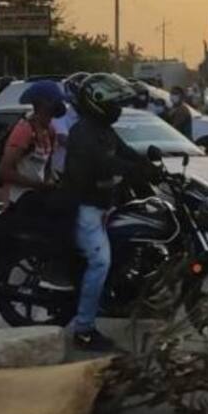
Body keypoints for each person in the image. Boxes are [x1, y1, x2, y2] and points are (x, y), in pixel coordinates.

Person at [64, 73, 155, 352]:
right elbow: (102, 164)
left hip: (103, 205)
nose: (118, 109)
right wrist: (131, 169)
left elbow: (125, 153)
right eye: (114, 103)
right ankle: (84, 330)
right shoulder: (83, 132)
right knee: (100, 262)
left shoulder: (103, 129)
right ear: (97, 102)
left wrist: (150, 163)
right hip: (85, 208)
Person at [0, 80, 64, 204]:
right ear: (41, 106)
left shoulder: (50, 131)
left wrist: (49, 183)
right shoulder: (24, 130)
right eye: (51, 109)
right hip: (16, 202)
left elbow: (46, 168)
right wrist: (36, 185)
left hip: (35, 200)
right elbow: (3, 171)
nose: (52, 115)